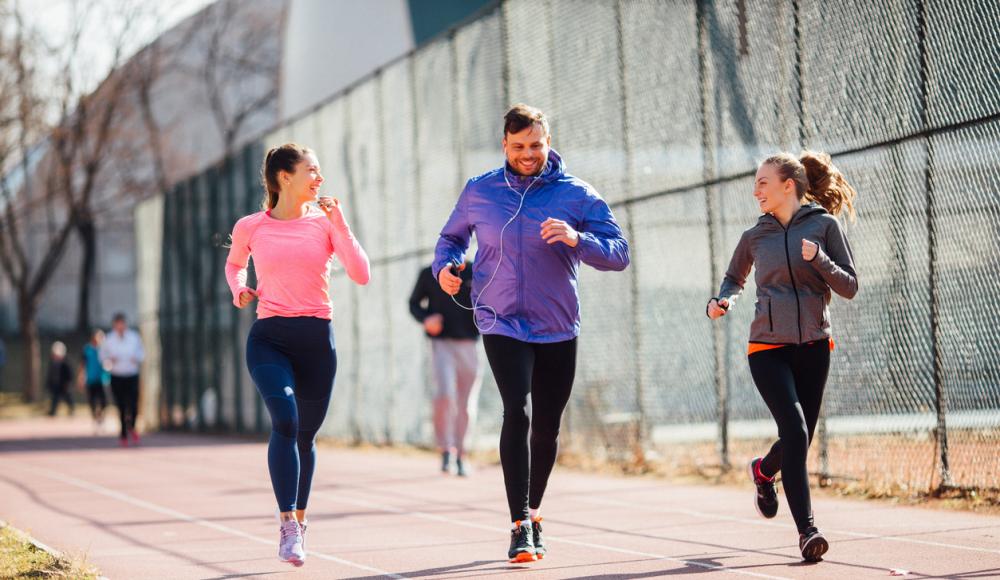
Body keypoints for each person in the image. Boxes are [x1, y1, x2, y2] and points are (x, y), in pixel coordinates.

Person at [434, 104, 630, 563]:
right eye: (518, 146)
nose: (527, 154)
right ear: (504, 143)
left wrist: (577, 239)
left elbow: (619, 253)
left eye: (536, 145)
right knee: (515, 412)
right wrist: (445, 267)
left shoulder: (575, 194)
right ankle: (519, 522)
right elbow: (450, 239)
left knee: (546, 426)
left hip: (557, 324)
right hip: (499, 319)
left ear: (548, 141)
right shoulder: (479, 191)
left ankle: (535, 510)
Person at [707, 151, 858, 563]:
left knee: (799, 438)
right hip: (767, 349)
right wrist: (722, 300)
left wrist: (819, 259)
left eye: (762, 183)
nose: (756, 190)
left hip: (814, 346)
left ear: (787, 186)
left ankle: (763, 470)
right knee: (794, 430)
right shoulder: (755, 236)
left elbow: (849, 286)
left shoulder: (825, 227)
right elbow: (733, 278)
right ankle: (808, 530)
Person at [225, 143, 370, 567]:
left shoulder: (325, 224)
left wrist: (339, 222)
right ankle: (287, 523)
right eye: (312, 170)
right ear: (285, 177)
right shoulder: (250, 226)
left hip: (316, 340)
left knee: (305, 435)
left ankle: (300, 522)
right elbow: (235, 265)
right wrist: (239, 289)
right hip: (269, 337)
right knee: (285, 420)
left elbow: (361, 274)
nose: (319, 178)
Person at [408, 260, 482, 476]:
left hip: (470, 345)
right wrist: (426, 319)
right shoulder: (428, 272)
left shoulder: (474, 271)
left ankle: (462, 453)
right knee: (445, 395)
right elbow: (413, 303)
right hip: (441, 344)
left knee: (466, 403)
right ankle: (446, 450)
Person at [101, 313, 145, 447]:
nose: (120, 326)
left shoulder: (134, 337)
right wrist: (109, 361)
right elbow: (103, 357)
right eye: (118, 323)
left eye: (122, 323)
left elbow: (142, 353)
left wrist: (136, 358)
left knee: (133, 405)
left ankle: (131, 426)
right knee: (120, 406)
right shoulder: (109, 339)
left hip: (131, 375)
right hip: (117, 376)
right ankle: (123, 434)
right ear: (114, 325)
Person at [81, 329, 109, 433]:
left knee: (104, 401)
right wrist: (81, 378)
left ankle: (101, 418)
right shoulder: (87, 349)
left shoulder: (104, 349)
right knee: (92, 402)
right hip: (91, 379)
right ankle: (95, 419)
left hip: (103, 379)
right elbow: (83, 364)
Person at [46, 341, 74, 416]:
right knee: (55, 398)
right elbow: (50, 374)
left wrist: (67, 383)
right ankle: (53, 411)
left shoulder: (66, 362)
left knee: (68, 398)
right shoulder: (52, 362)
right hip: (56, 384)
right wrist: (49, 383)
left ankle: (71, 409)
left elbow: (69, 374)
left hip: (64, 384)